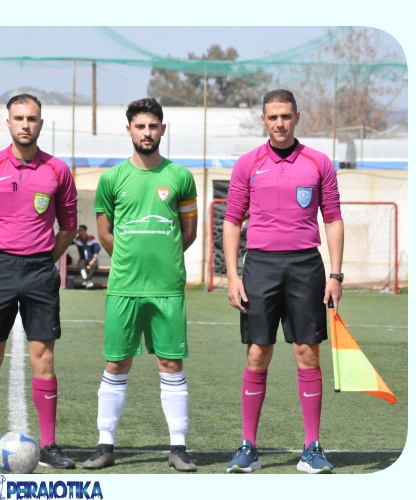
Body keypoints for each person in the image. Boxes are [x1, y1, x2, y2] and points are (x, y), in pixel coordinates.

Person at [0, 93, 78, 470]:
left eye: (32, 118)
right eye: (19, 118)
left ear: (41, 124)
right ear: (8, 123)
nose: (26, 124)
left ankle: (50, 444)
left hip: (40, 270)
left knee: (44, 357)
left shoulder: (58, 170)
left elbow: (69, 227)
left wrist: (45, 259)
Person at [223, 89, 343, 474]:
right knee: (258, 352)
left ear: (297, 117)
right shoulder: (248, 164)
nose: (279, 123)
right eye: (273, 117)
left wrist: (336, 274)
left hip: (306, 266)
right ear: (263, 120)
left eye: (286, 116)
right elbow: (232, 221)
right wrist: (232, 275)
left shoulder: (318, 162)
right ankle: (248, 447)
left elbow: (333, 219)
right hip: (260, 266)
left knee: (307, 352)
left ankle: (312, 448)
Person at [83, 97, 198, 472]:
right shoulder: (111, 179)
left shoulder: (180, 177)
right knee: (116, 363)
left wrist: (163, 257)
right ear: (129, 130)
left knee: (170, 362)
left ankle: (178, 448)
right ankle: (105, 445)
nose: (147, 133)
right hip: (124, 287)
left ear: (163, 129)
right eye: (140, 126)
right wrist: (131, 259)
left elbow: (188, 233)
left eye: (153, 126)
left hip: (167, 288)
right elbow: (105, 234)